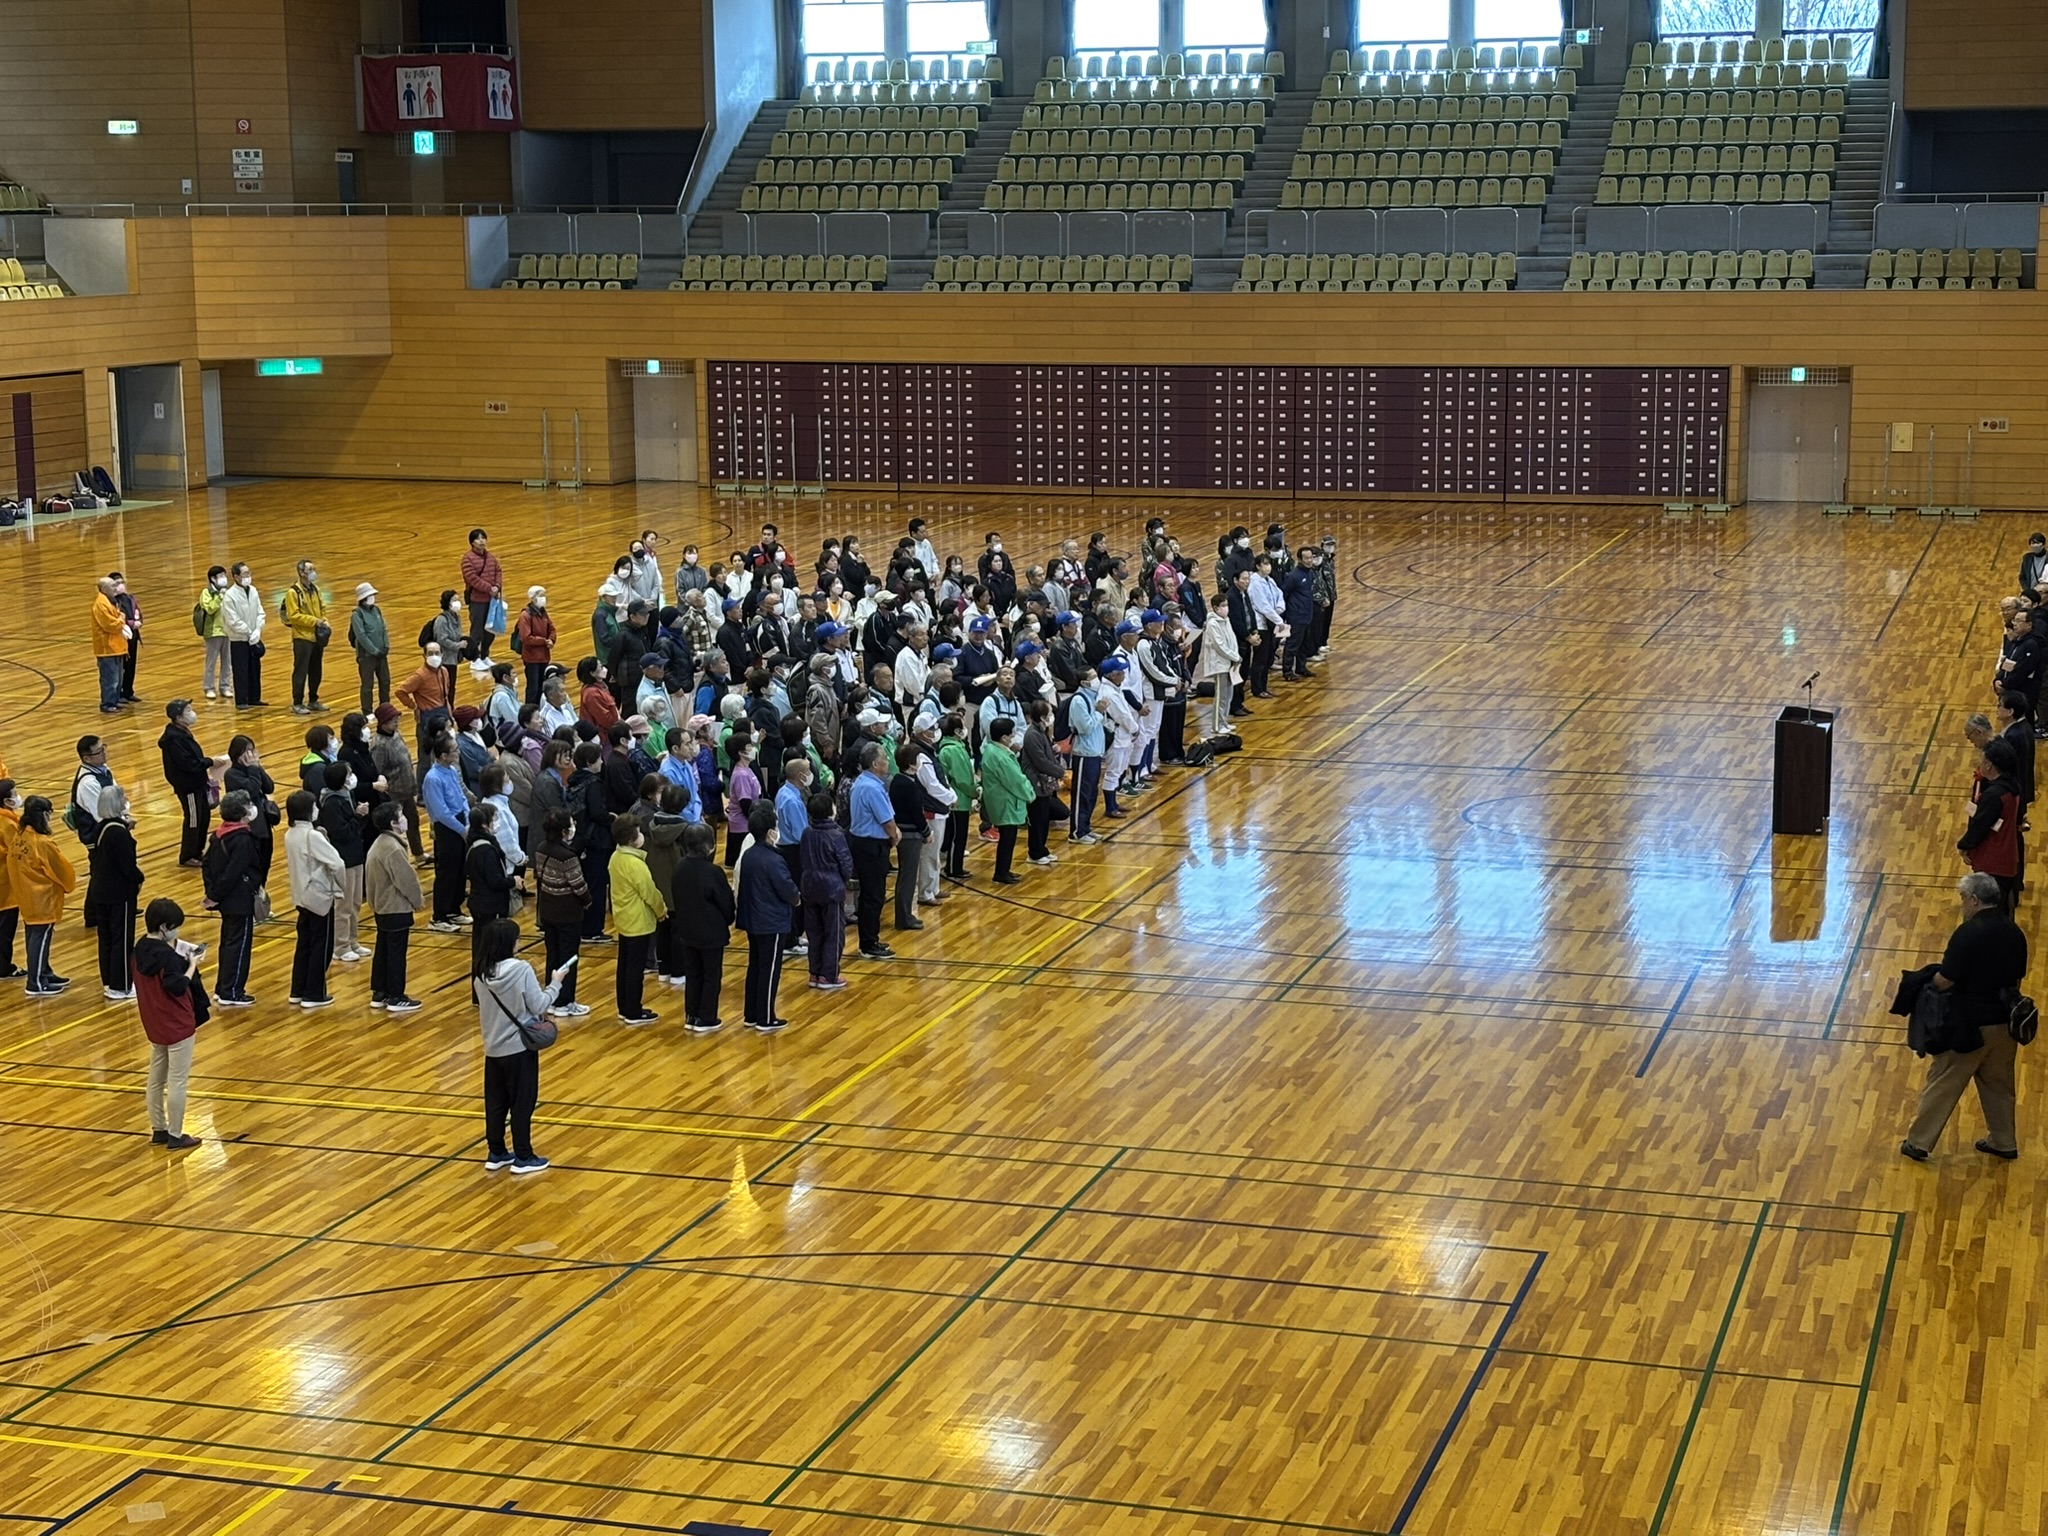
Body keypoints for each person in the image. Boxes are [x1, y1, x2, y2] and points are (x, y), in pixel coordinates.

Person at [1902, 871, 2030, 1162]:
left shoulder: (1968, 933)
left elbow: (1945, 980)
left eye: (1963, 898)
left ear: (1974, 900)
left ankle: (1918, 1142)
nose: (1962, 904)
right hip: (2004, 1024)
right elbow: (2017, 977)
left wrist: (1925, 982)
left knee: (1944, 1081)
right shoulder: (2013, 931)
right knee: (1999, 1086)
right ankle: (2003, 1141)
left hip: (1968, 1025)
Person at [473, 917, 571, 1175]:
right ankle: (523, 1156)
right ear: (509, 943)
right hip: (519, 1048)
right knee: (522, 1103)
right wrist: (556, 982)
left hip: (492, 1049)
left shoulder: (481, 974)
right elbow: (539, 1005)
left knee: (496, 1104)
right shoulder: (521, 970)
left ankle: (496, 1152)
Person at [134, 897, 205, 1150]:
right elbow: (177, 986)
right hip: (177, 1023)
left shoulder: (139, 949)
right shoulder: (169, 958)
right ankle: (176, 1134)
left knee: (156, 1079)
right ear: (165, 927)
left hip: (154, 1022)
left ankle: (159, 1128)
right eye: (175, 926)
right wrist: (192, 965)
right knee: (177, 1080)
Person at [735, 801, 799, 1031]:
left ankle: (751, 1014)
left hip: (753, 919)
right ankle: (766, 1017)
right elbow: (787, 888)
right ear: (771, 831)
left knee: (755, 966)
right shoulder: (773, 859)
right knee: (770, 969)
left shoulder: (749, 854)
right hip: (771, 922)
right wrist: (796, 897)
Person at [283, 790, 343, 1008]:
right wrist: (340, 887)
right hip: (319, 898)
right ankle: (314, 993)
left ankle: (298, 990)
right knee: (321, 946)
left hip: (300, 896)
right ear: (308, 810)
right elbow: (337, 863)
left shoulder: (290, 834)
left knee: (304, 945)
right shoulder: (312, 836)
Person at [203, 792, 262, 1006]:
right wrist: (214, 895)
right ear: (243, 812)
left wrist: (212, 893)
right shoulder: (242, 839)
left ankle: (223, 988)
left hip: (225, 900)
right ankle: (232, 991)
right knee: (239, 945)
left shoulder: (217, 835)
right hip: (239, 899)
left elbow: (206, 866)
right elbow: (233, 872)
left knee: (228, 943)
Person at [364, 801, 423, 1012]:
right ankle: (397, 996)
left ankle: (380, 992)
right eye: (401, 815)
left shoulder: (379, 843)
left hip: (381, 906)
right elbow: (406, 880)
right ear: (393, 823)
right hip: (395, 907)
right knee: (396, 953)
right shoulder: (392, 848)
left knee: (383, 949)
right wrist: (417, 901)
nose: (405, 818)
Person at [86, 785, 143, 1000]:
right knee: (122, 938)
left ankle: (109, 981)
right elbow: (127, 865)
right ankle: (122, 985)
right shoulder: (118, 833)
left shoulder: (101, 827)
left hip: (100, 890)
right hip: (119, 892)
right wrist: (139, 878)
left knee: (106, 938)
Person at [16, 796, 76, 996]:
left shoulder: (20, 837)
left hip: (25, 895)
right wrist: (68, 885)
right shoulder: (42, 843)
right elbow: (61, 870)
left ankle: (44, 972)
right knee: (40, 938)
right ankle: (35, 982)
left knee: (34, 936)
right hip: (42, 898)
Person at [846, 741, 899, 961]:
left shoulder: (862, 782)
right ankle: (868, 943)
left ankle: (870, 940)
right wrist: (894, 836)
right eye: (884, 758)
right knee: (873, 895)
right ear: (875, 764)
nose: (887, 761)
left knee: (870, 894)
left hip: (862, 842)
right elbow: (886, 821)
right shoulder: (872, 787)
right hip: (870, 845)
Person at [1960, 737, 2024, 913]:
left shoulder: (1994, 795)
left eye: (1982, 760)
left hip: (1993, 859)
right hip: (2006, 856)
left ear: (1989, 764)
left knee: (1990, 910)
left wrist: (1964, 845)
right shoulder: (2012, 786)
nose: (1979, 763)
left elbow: (1980, 825)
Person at [609, 812, 662, 1025]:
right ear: (632, 839)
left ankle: (624, 1007)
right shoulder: (635, 864)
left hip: (623, 919)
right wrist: (661, 910)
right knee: (635, 969)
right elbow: (650, 892)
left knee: (624, 966)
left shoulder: (616, 857)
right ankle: (633, 1010)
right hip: (638, 922)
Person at [798, 790, 852, 991]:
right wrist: (841, 881)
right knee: (834, 933)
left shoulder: (807, 832)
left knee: (814, 932)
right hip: (831, 889)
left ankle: (815, 972)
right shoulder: (836, 835)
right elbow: (846, 863)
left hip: (809, 886)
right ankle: (828, 975)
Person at [317, 761, 370, 963]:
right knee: (344, 905)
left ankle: (352, 940)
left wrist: (359, 816)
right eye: (348, 774)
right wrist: (357, 816)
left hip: (356, 855)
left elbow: (355, 828)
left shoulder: (347, 795)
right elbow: (341, 832)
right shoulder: (332, 803)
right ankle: (340, 946)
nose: (351, 777)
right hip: (343, 858)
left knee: (355, 902)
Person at [158, 700, 219, 867]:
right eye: (188, 711)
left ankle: (198, 851)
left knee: (203, 816)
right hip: (188, 786)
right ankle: (188, 855)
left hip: (197, 783)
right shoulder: (174, 739)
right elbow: (187, 763)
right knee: (194, 819)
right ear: (178, 717)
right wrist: (209, 762)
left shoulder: (183, 733)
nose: (192, 713)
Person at [421, 737, 471, 932]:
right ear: (443, 755)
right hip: (447, 828)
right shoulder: (433, 778)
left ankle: (454, 910)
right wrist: (461, 829)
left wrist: (467, 820)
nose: (458, 753)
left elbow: (462, 797)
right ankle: (439, 916)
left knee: (460, 870)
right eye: (454, 750)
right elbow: (441, 812)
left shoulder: (451, 770)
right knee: (447, 873)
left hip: (460, 822)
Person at [979, 716, 1032, 885]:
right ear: (1003, 737)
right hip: (1005, 802)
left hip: (1002, 801)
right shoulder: (1000, 757)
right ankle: (1001, 872)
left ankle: (1004, 870)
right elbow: (1015, 780)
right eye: (1011, 734)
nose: (1013, 737)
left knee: (1008, 839)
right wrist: (1030, 794)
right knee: (1007, 839)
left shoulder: (993, 751)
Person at [466, 800, 517, 971]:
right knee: (488, 951)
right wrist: (513, 881)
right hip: (489, 905)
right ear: (484, 824)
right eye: (494, 818)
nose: (497, 822)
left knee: (481, 948)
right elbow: (495, 881)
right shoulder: (485, 850)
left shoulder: (475, 842)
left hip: (480, 902)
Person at [369, 704, 422, 860]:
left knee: (413, 821)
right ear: (383, 723)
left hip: (407, 789)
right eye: (393, 720)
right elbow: (377, 770)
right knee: (397, 827)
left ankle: (418, 853)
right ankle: (400, 857)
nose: (396, 722)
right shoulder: (379, 745)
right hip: (393, 794)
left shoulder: (396, 734)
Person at [888, 741, 928, 932]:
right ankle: (904, 917)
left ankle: (906, 915)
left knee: (907, 876)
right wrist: (927, 832)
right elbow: (916, 813)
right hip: (910, 834)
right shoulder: (907, 785)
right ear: (911, 764)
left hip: (905, 832)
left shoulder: (899, 780)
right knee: (908, 877)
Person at [281, 558, 329, 714]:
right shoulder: (293, 592)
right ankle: (297, 702)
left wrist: (324, 619)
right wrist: (315, 621)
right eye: (310, 570)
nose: (313, 572)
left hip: (317, 636)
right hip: (302, 637)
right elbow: (294, 615)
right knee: (301, 671)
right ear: (301, 572)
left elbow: (322, 607)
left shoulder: (316, 589)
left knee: (316, 670)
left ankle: (313, 700)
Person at [1019, 700, 1064, 867]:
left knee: (1044, 818)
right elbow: (1040, 761)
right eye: (1049, 714)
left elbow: (1047, 756)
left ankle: (1042, 849)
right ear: (1042, 717)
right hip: (1035, 783)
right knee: (1037, 820)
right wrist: (1060, 772)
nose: (1052, 717)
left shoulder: (1041, 732)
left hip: (1044, 784)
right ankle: (1035, 853)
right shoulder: (1032, 735)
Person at [1066, 669, 1106, 844]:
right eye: (1093, 677)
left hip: (1095, 752)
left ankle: (1085, 827)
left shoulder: (1093, 696)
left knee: (1091, 793)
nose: (1097, 679)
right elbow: (1084, 727)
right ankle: (1076, 832)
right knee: (1081, 794)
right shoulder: (1078, 700)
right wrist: (1099, 712)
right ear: (1084, 682)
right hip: (1084, 753)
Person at [221, 562, 267, 709]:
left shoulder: (253, 591)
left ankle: (254, 698)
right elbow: (232, 620)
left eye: (249, 573)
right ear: (236, 577)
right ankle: (241, 700)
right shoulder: (230, 596)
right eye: (245, 574)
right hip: (239, 639)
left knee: (255, 668)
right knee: (241, 670)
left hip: (254, 637)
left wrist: (257, 630)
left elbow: (260, 612)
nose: (248, 576)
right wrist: (248, 631)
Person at [461, 527, 505, 673]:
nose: (481, 541)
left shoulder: (491, 557)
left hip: (492, 600)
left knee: (490, 630)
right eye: (478, 538)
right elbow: (472, 579)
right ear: (472, 542)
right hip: (477, 600)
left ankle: (485, 655)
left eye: (483, 538)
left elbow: (498, 571)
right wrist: (489, 588)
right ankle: (474, 659)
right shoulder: (467, 559)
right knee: (477, 630)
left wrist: (497, 586)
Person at [937, 713, 976, 877]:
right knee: (957, 836)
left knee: (958, 834)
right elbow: (961, 778)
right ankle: (953, 868)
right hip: (958, 799)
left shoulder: (955, 747)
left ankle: (955, 867)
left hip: (960, 798)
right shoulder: (953, 750)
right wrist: (974, 791)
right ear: (956, 730)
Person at [347, 581, 392, 714]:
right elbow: (361, 636)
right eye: (370, 595)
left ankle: (385, 708)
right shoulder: (357, 614)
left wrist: (386, 646)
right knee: (368, 684)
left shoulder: (376, 610)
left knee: (385, 681)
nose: (372, 597)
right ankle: (367, 711)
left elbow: (383, 629)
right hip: (367, 656)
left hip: (381, 654)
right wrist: (374, 651)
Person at [91, 575, 130, 714]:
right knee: (110, 679)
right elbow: (110, 625)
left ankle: (115, 700)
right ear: (104, 589)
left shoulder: (110, 601)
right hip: (107, 648)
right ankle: (107, 704)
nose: (115, 588)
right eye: (112, 586)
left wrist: (120, 619)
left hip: (117, 646)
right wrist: (121, 620)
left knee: (118, 678)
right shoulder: (101, 604)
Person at [70, 735, 116, 848]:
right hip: (99, 838)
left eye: (103, 748)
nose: (104, 753)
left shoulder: (103, 770)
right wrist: (124, 822)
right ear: (87, 759)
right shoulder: (88, 783)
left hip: (112, 829)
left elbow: (118, 796)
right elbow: (102, 815)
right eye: (99, 751)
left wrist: (126, 816)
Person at [513, 586, 557, 706]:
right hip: (531, 658)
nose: (543, 598)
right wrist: (544, 641)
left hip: (544, 656)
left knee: (542, 686)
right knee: (533, 688)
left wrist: (551, 639)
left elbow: (552, 629)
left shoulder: (543, 613)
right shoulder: (525, 615)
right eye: (540, 596)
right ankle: (530, 710)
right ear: (533, 598)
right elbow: (526, 637)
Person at [197, 565, 233, 702]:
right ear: (213, 579)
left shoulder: (228, 591)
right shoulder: (207, 592)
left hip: (227, 631)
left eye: (224, 575)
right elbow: (210, 608)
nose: (224, 578)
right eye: (220, 576)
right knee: (211, 662)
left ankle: (225, 686)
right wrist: (220, 596)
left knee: (227, 661)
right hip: (213, 632)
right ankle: (209, 687)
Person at [0, 779, 21, 979]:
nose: (17, 796)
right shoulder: (7, 824)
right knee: (5, 929)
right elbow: (16, 852)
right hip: (6, 884)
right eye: (14, 794)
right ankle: (3, 966)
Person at [2023, 533, 2048, 603]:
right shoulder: (2027, 558)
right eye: (2033, 543)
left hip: (2045, 594)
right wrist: (2027, 590)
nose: (2035, 545)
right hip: (2031, 593)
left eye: (2037, 543)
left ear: (2043, 544)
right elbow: (2022, 576)